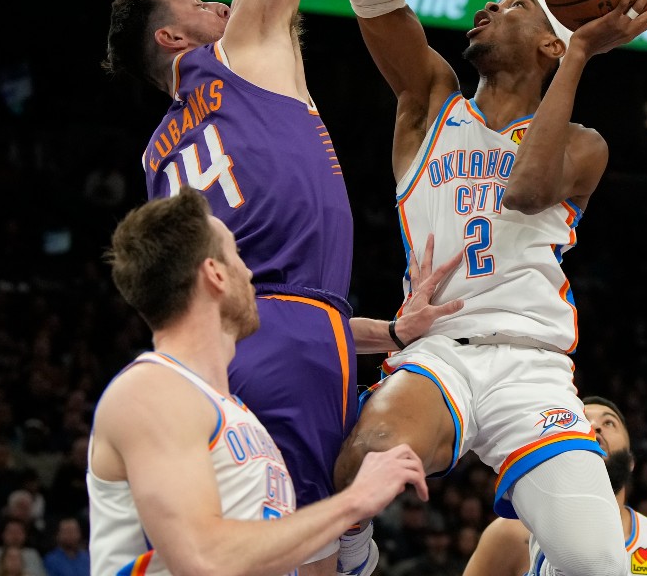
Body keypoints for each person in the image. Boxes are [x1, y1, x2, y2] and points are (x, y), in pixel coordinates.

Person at [100, 0, 461, 572]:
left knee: (269, 538)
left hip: (239, 349)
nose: (220, 8)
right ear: (174, 40)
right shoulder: (237, 53)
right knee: (305, 553)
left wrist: (389, 332)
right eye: (198, 4)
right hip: (293, 345)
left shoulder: (156, 158)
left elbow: (258, 302)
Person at [335, 0, 647, 575]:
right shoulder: (430, 102)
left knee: (601, 564)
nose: (488, 9)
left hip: (532, 365)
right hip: (439, 351)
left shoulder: (583, 145)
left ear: (549, 46)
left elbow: (523, 190)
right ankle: (352, 558)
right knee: (364, 456)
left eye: (514, 8)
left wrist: (578, 54)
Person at [88, 190, 431, 576]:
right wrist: (355, 501)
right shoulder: (150, 392)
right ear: (215, 274)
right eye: (237, 256)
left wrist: (395, 333)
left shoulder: (234, 413)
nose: (250, 273)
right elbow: (204, 558)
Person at [463, 397, 647, 576]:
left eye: (609, 423)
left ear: (631, 461)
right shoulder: (512, 534)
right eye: (582, 419)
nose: (594, 426)